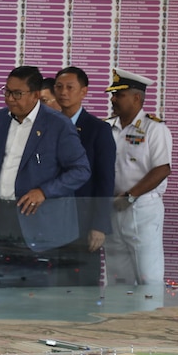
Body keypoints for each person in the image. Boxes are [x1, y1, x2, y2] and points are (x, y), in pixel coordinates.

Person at [0, 66, 90, 286]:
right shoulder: (2, 118)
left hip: (39, 222)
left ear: (35, 95)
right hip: (4, 217)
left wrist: (44, 191)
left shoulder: (57, 124)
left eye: (17, 93)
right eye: (7, 91)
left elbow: (81, 170)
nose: (10, 99)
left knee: (35, 296)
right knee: (2, 290)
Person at [103, 68, 172, 287]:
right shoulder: (106, 128)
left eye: (119, 95)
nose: (113, 99)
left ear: (136, 98)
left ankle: (149, 320)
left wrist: (130, 195)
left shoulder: (154, 128)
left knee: (148, 276)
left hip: (142, 208)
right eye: (113, 94)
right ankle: (117, 320)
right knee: (117, 277)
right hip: (112, 207)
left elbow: (162, 169)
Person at [52, 67, 115, 286]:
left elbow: (105, 181)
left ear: (84, 92)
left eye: (70, 87)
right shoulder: (46, 126)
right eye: (59, 87)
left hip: (83, 221)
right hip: (51, 220)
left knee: (81, 286)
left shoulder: (99, 129)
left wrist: (99, 225)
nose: (63, 92)